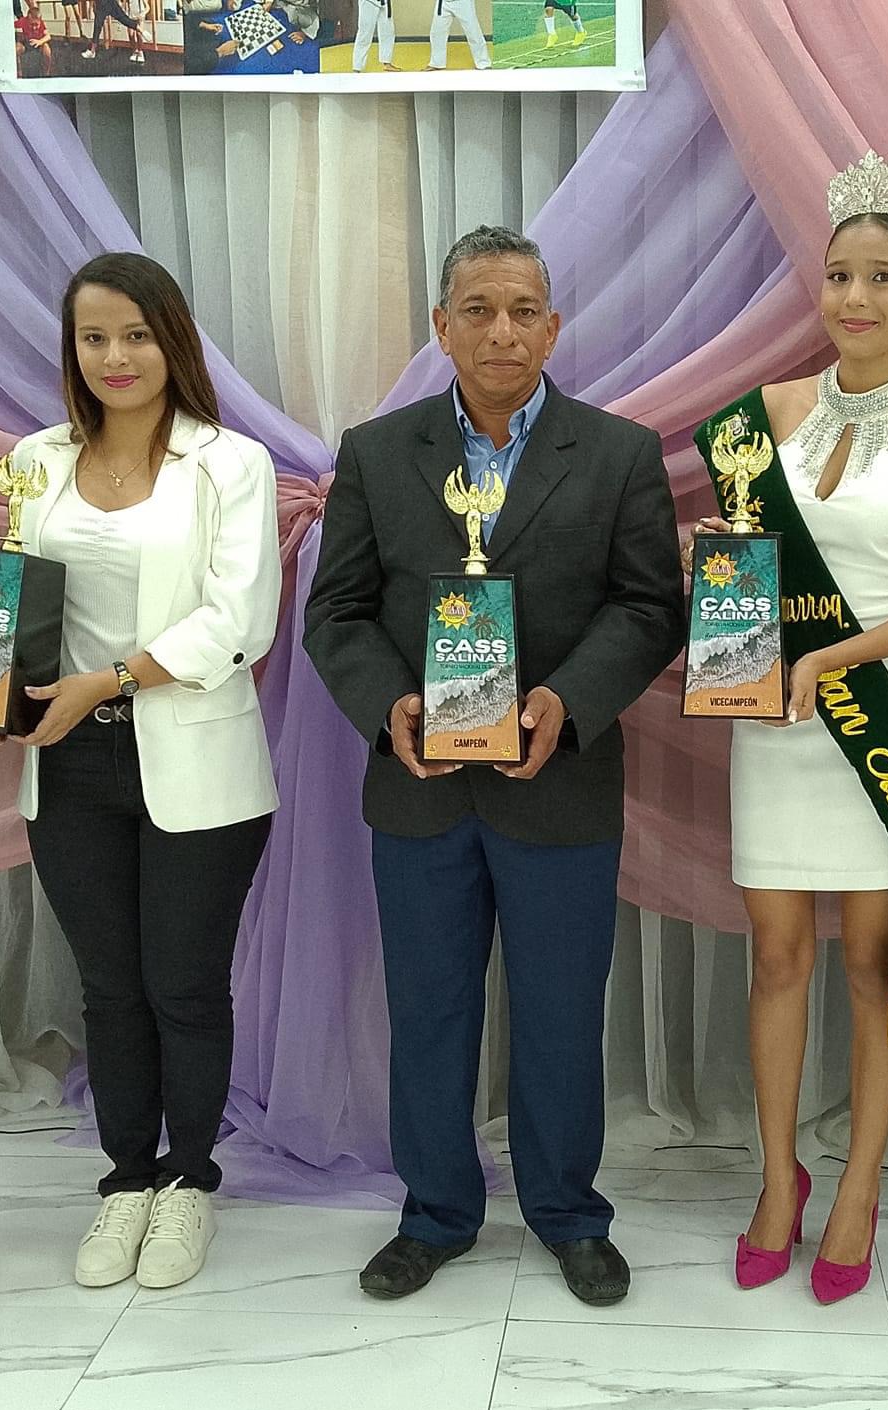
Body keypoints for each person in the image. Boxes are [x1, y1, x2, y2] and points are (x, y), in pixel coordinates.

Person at [305, 225, 684, 1306]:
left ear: (553, 328)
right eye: (478, 309)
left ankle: (568, 1214)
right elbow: (336, 611)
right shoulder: (378, 452)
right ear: (441, 326)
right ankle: (434, 1214)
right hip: (420, 789)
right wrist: (392, 706)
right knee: (428, 1012)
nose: (501, 331)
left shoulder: (618, 453)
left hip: (558, 784)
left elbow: (648, 605)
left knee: (561, 1014)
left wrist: (567, 703)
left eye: (523, 311)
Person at [687, 153, 888, 1303]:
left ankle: (858, 1186)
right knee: (774, 955)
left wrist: (831, 656)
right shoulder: (759, 420)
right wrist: (712, 573)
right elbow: (748, 580)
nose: (854, 298)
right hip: (772, 723)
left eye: (881, 277)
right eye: (838, 276)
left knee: (868, 962)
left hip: (879, 715)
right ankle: (778, 1179)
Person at [10, 253, 281, 1292]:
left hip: (193, 753)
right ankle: (125, 1180)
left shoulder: (229, 464)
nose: (115, 356)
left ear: (173, 341)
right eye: (93, 337)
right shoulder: (34, 463)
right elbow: (15, 601)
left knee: (184, 984)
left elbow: (241, 620)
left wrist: (111, 679)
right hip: (68, 762)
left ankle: (188, 1184)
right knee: (110, 989)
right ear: (71, 348)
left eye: (135, 334)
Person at [429, 0, 489, 70]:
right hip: (443, 3)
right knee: (437, 33)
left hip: (463, 2)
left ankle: (483, 63)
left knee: (473, 31)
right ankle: (437, 63)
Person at [351, 0, 397, 70]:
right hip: (369, 2)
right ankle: (357, 66)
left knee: (388, 32)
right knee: (365, 34)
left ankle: (387, 62)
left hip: (384, 3)